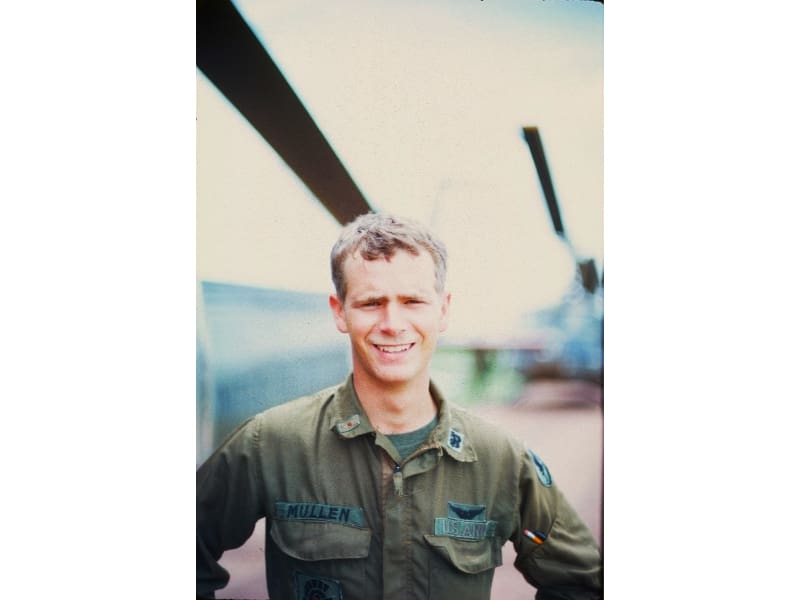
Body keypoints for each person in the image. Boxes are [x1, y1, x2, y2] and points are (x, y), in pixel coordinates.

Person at [197, 212, 602, 599]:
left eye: (412, 301)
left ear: (442, 310)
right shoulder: (271, 443)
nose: (392, 323)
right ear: (340, 313)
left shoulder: (500, 459)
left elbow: (581, 581)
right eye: (371, 302)